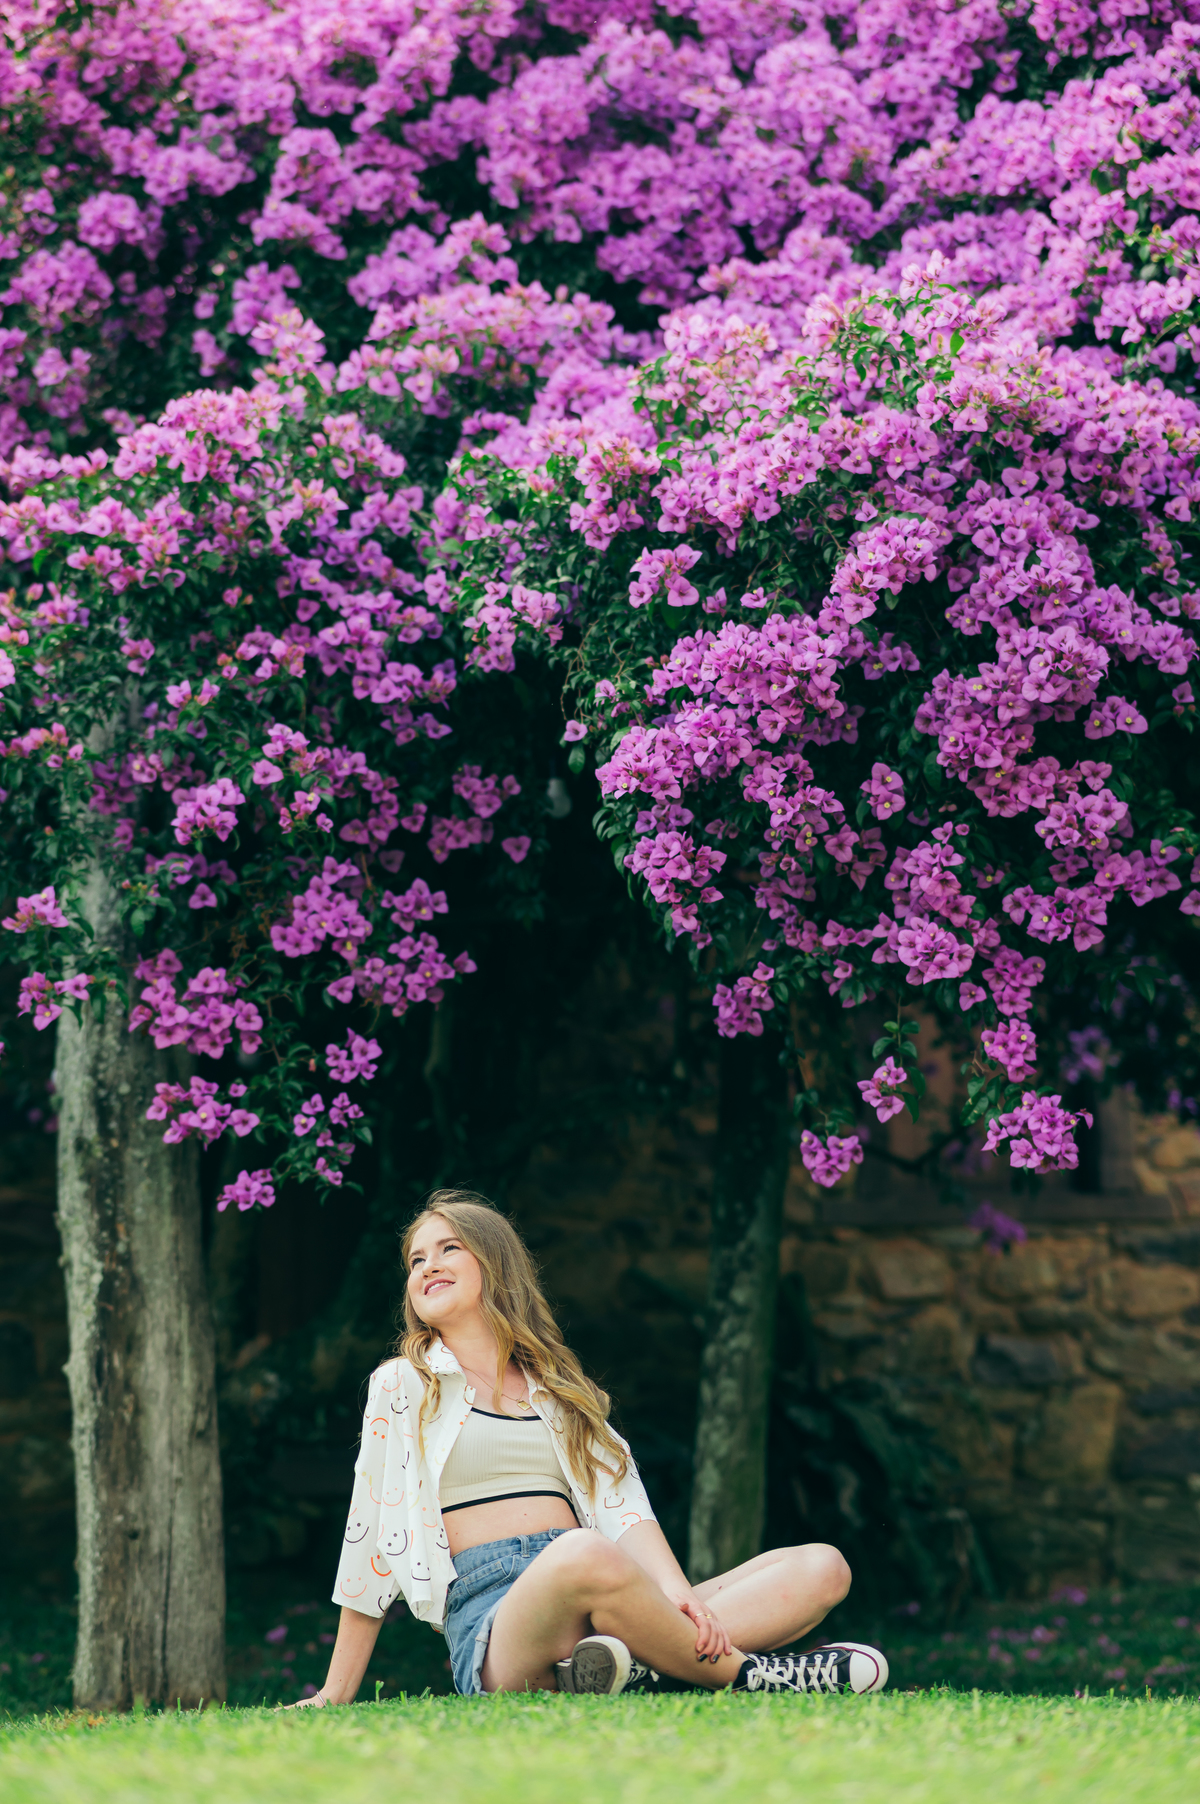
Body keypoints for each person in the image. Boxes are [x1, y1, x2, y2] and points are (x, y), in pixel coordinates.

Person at [291, 1190, 887, 1704]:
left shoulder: (561, 1392)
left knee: (821, 1566)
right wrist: (335, 1690)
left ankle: (631, 1669)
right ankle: (758, 1677)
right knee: (583, 1553)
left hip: (611, 1605)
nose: (427, 1266)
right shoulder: (403, 1384)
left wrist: (682, 1603)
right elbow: (369, 1534)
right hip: (501, 1623)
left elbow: (626, 1509)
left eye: (448, 1248)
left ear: (495, 1266)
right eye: (415, 1259)